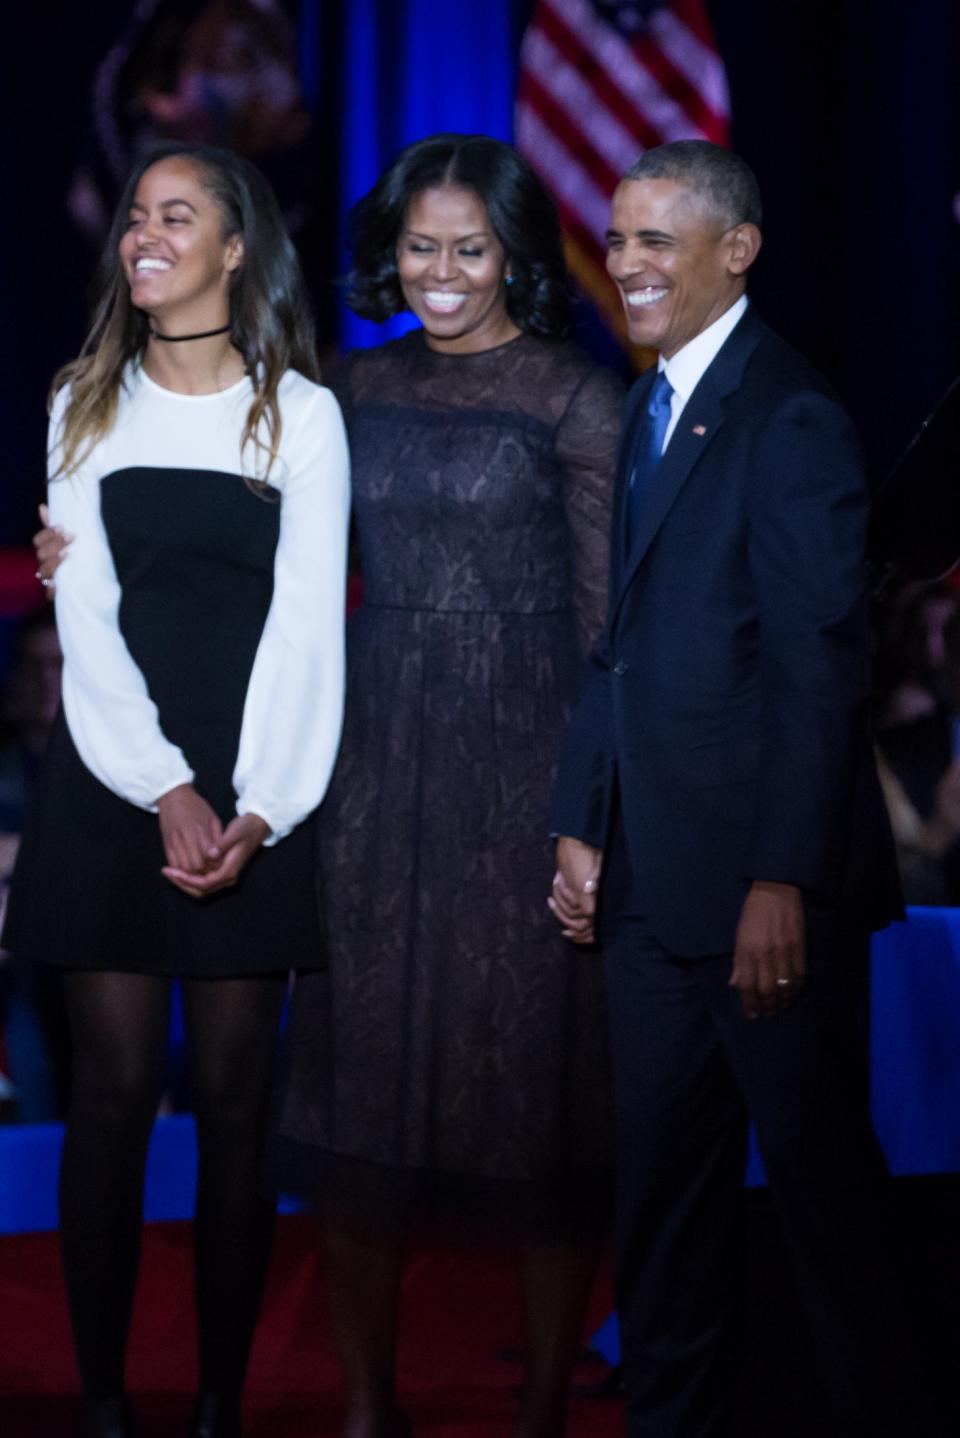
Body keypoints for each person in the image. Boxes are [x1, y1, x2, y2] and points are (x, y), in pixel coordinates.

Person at [549, 141, 931, 1437]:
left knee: (826, 1207)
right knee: (663, 1207)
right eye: (619, 234)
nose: (629, 262)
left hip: (771, 901)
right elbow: (623, 646)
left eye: (660, 238)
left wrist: (783, 875)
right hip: (650, 892)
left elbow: (821, 669)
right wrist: (579, 820)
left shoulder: (791, 413)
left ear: (737, 249)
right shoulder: (648, 404)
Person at [273, 134, 622, 1438]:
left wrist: (588, 812)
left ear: (517, 254)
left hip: (529, 766)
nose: (441, 271)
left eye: (469, 247)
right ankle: (366, 1406)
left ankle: (539, 1407)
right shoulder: (342, 391)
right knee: (362, 1086)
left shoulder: (578, 402)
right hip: (368, 772)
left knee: (541, 1093)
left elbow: (606, 632)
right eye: (420, 245)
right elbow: (271, 564)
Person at [8, 141, 349, 1438]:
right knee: (104, 1098)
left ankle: (217, 1406)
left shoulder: (299, 414)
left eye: (177, 214)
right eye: (136, 215)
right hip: (111, 777)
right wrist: (162, 788)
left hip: (261, 783)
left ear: (235, 246)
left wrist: (257, 805)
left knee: (235, 1103)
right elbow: (82, 615)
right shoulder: (83, 401)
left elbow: (308, 630)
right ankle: (102, 1404)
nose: (144, 234)